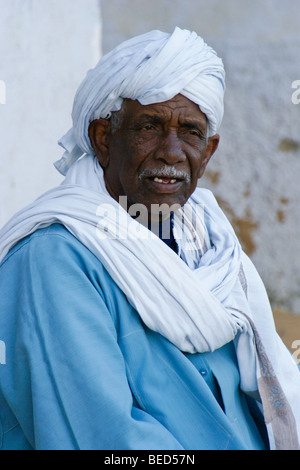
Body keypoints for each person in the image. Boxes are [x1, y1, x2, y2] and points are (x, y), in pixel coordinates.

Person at [0, 27, 299, 451]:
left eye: (191, 133)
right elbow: (108, 438)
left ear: (209, 150)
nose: (171, 152)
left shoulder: (209, 240)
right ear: (104, 140)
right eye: (150, 127)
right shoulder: (54, 259)